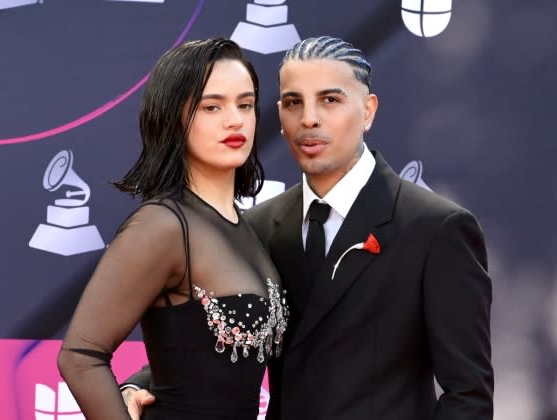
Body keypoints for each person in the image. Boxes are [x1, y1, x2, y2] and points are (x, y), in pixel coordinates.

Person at [122, 36, 494, 420]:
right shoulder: (258, 226)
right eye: (293, 102)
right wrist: (138, 386)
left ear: (368, 110)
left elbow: (468, 395)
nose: (309, 119)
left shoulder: (435, 229)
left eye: (330, 100)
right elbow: (213, 343)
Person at [56, 38, 289, 420]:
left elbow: (193, 355)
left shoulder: (243, 226)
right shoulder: (163, 225)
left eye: (245, 105)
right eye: (211, 106)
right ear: (173, 116)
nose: (235, 120)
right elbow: (80, 356)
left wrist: (135, 384)